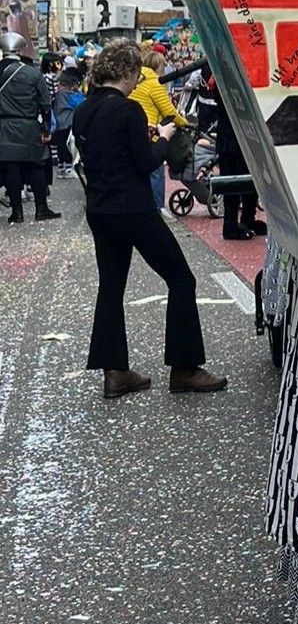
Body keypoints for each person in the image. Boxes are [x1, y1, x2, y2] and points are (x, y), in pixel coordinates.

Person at [72, 40, 227, 400]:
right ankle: (185, 368)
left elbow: (105, 149)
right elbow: (145, 163)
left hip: (100, 209)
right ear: (128, 73)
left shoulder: (84, 109)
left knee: (111, 288)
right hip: (133, 208)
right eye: (136, 77)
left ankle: (115, 372)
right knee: (181, 279)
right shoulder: (129, 110)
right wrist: (165, 138)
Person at [0, 31, 59, 225]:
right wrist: (46, 129)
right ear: (20, 49)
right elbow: (45, 104)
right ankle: (41, 208)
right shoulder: (33, 73)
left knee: (11, 167)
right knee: (36, 166)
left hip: (3, 126)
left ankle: (16, 212)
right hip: (29, 126)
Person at [204, 70, 266, 241]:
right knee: (233, 180)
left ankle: (248, 218)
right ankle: (230, 224)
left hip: (240, 134)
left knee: (250, 178)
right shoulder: (225, 74)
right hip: (232, 135)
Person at [130, 43, 188, 212]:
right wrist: (184, 123)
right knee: (155, 170)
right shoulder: (154, 82)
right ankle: (157, 208)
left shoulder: (137, 79)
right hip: (151, 131)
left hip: (134, 129)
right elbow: (168, 110)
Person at [52, 66, 85, 177]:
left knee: (61, 146)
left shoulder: (60, 93)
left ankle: (61, 168)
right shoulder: (67, 94)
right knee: (68, 146)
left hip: (59, 123)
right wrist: (79, 92)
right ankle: (68, 168)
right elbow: (80, 102)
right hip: (67, 123)